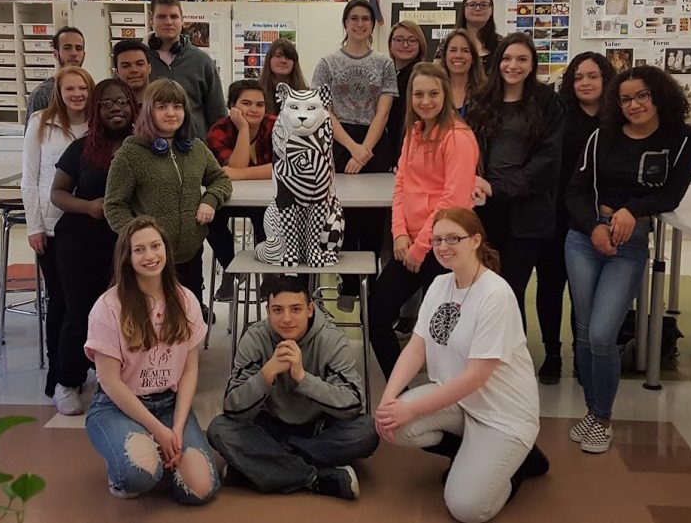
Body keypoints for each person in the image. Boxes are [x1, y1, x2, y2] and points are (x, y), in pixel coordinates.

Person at [376, 208, 547, 523]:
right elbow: (416, 348)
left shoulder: (496, 294)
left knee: (466, 508)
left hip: (501, 415)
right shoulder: (441, 284)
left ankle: (516, 466)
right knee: (394, 424)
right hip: (459, 404)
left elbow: (476, 377)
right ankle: (471, 454)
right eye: (437, 239)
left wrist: (412, 408)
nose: (443, 246)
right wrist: (390, 398)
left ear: (476, 241)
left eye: (454, 238)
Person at [565, 66, 691, 453]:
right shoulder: (601, 136)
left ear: (658, 95)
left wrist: (631, 210)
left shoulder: (681, 138)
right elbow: (574, 192)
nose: (634, 105)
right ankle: (593, 412)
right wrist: (594, 226)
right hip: (585, 237)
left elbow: (672, 194)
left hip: (631, 240)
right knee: (586, 332)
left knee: (605, 333)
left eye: (642, 96)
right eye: (625, 99)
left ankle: (602, 417)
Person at [85, 216, 220, 503]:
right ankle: (136, 459)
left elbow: (189, 369)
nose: (150, 255)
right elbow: (109, 381)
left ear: (166, 251)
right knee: (139, 477)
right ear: (127, 257)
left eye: (155, 246)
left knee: (201, 491)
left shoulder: (186, 300)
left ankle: (161, 456)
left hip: (169, 404)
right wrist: (159, 431)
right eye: (139, 250)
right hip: (118, 407)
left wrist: (178, 428)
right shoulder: (107, 307)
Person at [207, 275, 378, 500]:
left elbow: (353, 404)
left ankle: (259, 466)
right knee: (219, 429)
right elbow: (232, 406)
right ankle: (315, 479)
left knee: (366, 431)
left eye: (295, 309)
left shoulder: (330, 338)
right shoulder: (255, 337)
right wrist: (265, 375)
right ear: (268, 311)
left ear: (309, 309)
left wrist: (303, 378)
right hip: (269, 426)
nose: (287, 319)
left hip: (318, 428)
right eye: (278, 310)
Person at [369, 62, 479, 379]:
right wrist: (400, 235)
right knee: (377, 313)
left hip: (444, 248)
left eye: (433, 93)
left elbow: (453, 201)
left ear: (445, 94)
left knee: (442, 332)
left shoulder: (458, 137)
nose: (426, 101)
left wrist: (420, 247)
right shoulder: (414, 133)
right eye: (419, 94)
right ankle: (400, 392)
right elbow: (401, 185)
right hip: (410, 245)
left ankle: (445, 402)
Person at [466, 32, 563, 367]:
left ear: (532, 63)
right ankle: (489, 364)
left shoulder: (547, 103)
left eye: (522, 59)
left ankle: (514, 365)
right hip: (486, 214)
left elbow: (548, 162)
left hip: (527, 214)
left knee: (511, 291)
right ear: (498, 62)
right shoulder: (482, 100)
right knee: (487, 292)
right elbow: (468, 149)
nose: (513, 65)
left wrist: (500, 187)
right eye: (507, 58)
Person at [104, 78, 232, 325]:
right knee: (152, 324)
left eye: (177, 106)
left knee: (188, 322)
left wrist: (210, 200)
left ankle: (188, 364)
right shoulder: (130, 154)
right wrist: (139, 241)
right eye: (162, 107)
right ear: (148, 111)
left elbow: (220, 180)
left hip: (189, 256)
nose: (171, 113)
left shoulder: (196, 149)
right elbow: (114, 206)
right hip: (150, 261)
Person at [49, 79, 137, 415]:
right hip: (80, 240)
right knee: (80, 310)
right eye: (107, 103)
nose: (116, 108)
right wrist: (88, 207)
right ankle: (68, 380)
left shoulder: (144, 146)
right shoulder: (83, 148)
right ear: (95, 110)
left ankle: (114, 379)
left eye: (123, 101)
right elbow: (57, 193)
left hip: (124, 243)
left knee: (123, 313)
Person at [534, 52, 616, 384]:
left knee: (587, 292)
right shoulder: (558, 114)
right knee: (551, 287)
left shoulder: (617, 119)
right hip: (556, 216)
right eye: (578, 76)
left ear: (605, 79)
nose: (585, 82)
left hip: (597, 219)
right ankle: (552, 353)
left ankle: (584, 356)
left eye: (592, 76)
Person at [311, 0, 398, 310]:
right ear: (345, 23)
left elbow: (383, 112)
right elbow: (324, 111)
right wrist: (352, 148)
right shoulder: (327, 63)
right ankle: (346, 287)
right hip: (338, 140)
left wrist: (365, 151)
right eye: (354, 18)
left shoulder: (384, 64)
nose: (360, 24)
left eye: (366, 19)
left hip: (375, 141)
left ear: (372, 24)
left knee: (373, 219)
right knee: (341, 215)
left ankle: (371, 290)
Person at [21, 66, 94, 408]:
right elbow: (30, 178)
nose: (77, 94)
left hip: (93, 229)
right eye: (70, 89)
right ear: (58, 92)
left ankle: (90, 370)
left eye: (83, 88)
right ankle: (62, 375)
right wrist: (34, 226)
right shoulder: (40, 123)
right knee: (63, 304)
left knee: (91, 304)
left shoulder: (100, 124)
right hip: (53, 228)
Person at [206, 79, 274, 301]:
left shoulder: (277, 125)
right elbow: (234, 166)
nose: (254, 109)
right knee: (209, 217)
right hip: (231, 199)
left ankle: (269, 275)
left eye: (260, 104)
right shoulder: (219, 130)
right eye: (246, 103)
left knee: (267, 217)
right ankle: (232, 268)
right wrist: (244, 129)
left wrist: (240, 174)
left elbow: (285, 167)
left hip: (267, 199)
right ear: (232, 106)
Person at [147, 0, 227, 139]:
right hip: (150, 147)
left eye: (174, 16)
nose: (168, 22)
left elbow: (218, 115)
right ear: (151, 20)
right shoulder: (140, 59)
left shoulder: (202, 61)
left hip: (194, 149)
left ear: (182, 21)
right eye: (161, 17)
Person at [434, 0, 502, 73]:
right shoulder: (448, 42)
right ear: (464, 9)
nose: (477, 8)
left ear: (491, 10)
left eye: (483, 5)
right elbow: (436, 75)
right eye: (472, 5)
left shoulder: (501, 44)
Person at [26, 26, 86, 124]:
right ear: (55, 53)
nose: (74, 53)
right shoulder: (41, 94)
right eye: (67, 48)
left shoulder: (90, 90)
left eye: (78, 48)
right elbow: (32, 136)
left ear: (84, 54)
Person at [386, 20, 427, 162]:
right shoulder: (387, 74)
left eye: (412, 40)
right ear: (390, 44)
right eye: (399, 40)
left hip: (409, 155)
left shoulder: (422, 76)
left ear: (420, 44)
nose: (405, 45)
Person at [439, 28, 486, 117]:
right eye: (453, 50)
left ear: (473, 58)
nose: (458, 55)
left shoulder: (485, 93)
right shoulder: (435, 91)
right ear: (445, 56)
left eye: (465, 51)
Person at [259, 38, 308, 115]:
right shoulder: (256, 92)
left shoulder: (306, 94)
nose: (283, 61)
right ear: (269, 59)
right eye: (278, 56)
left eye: (288, 57)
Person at [113, 39, 152, 106]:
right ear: (117, 72)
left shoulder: (165, 104)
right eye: (126, 66)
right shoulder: (112, 109)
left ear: (149, 67)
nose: (134, 70)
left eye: (140, 64)